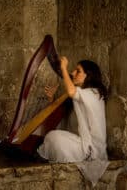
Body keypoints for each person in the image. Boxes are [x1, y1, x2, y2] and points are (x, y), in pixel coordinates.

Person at [37, 56, 109, 186]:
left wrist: (63, 68)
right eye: (73, 71)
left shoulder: (94, 93)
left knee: (53, 137)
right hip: (80, 142)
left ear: (88, 75)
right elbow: (61, 121)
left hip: (91, 150)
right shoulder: (80, 96)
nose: (72, 73)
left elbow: (71, 91)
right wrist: (51, 101)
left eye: (78, 71)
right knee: (53, 136)